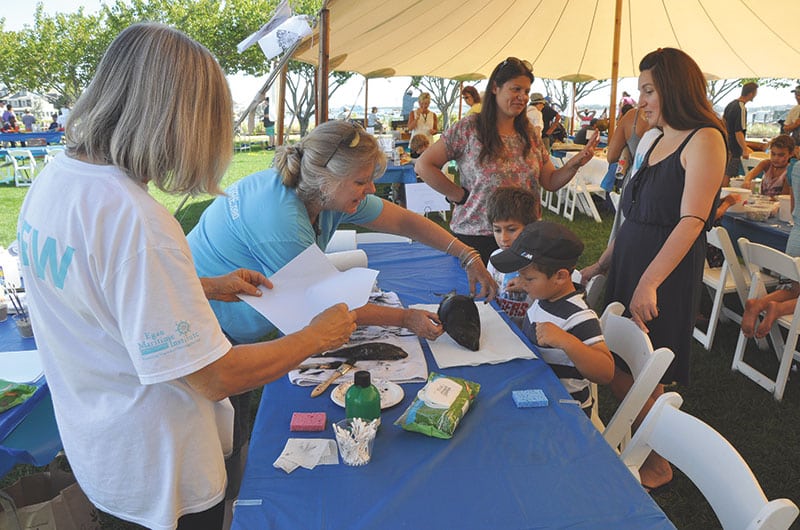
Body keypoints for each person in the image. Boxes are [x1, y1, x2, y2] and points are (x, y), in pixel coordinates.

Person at [16, 23, 358, 530]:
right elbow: (216, 377)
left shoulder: (55, 180)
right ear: (178, 121)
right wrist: (315, 336)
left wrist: (199, 286)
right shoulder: (138, 223)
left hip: (102, 451)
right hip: (163, 474)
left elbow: (93, 290)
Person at [187, 119, 497, 347]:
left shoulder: (322, 192)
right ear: (327, 179)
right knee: (220, 419)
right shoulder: (282, 224)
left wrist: (466, 254)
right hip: (205, 319)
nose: (371, 189)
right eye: (362, 182)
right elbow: (328, 302)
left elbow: (405, 222)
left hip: (221, 307)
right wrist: (405, 318)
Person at [602, 47, 727, 492]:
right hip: (632, 261)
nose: (643, 102)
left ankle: (657, 462)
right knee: (618, 358)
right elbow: (630, 211)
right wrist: (604, 261)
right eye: (641, 91)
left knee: (649, 367)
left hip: (665, 271)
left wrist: (650, 281)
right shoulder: (653, 139)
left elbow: (693, 219)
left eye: (649, 90)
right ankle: (634, 437)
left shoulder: (705, 139)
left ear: (675, 89)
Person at [415, 57, 599, 264]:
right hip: (477, 234)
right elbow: (424, 165)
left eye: (527, 92)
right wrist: (457, 195)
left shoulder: (528, 133)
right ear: (495, 88)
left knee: (518, 294)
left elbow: (549, 181)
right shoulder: (469, 128)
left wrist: (574, 164)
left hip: (525, 235)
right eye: (516, 89)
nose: (522, 97)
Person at [490, 221, 614, 414]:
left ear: (560, 277)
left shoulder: (579, 317)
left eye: (529, 278)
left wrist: (566, 341)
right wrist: (526, 284)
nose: (522, 282)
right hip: (538, 391)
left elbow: (605, 372)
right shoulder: (544, 295)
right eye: (521, 276)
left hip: (564, 409)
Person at [485, 186, 539, 326]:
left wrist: (528, 284)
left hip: (531, 330)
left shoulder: (540, 261)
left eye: (511, 230)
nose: (503, 238)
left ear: (530, 226)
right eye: (497, 230)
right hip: (500, 326)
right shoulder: (494, 258)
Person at [723, 82, 758, 186]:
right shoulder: (741, 107)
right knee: (729, 174)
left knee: (725, 172)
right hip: (734, 148)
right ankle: (724, 195)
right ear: (751, 93)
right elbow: (739, 131)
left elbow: (723, 122)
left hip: (727, 145)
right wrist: (744, 149)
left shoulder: (730, 104)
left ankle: (720, 194)